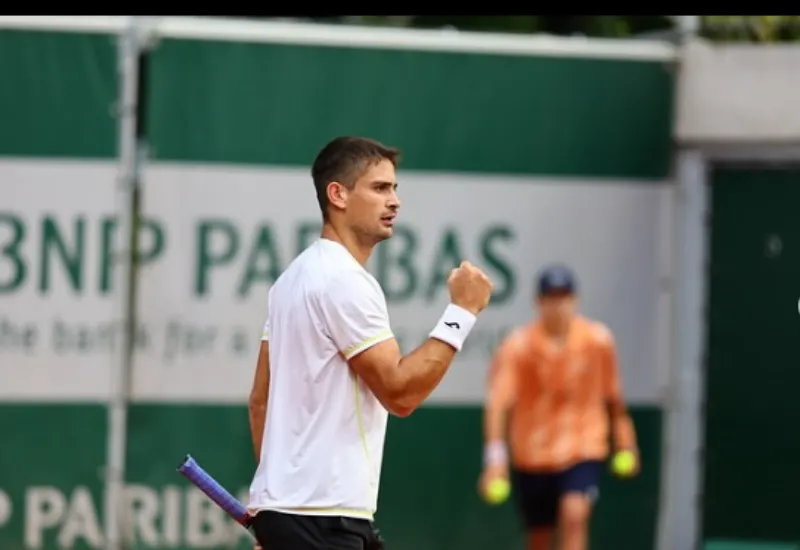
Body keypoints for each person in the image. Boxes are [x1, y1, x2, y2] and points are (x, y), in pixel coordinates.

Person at [246, 136, 494, 550]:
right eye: (380, 188)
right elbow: (400, 393)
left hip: (302, 516)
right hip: (324, 521)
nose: (394, 201)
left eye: (394, 188)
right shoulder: (343, 280)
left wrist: (276, 504)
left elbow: (260, 401)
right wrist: (462, 312)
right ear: (338, 195)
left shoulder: (290, 281)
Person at [479, 265, 639, 550]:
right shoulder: (517, 346)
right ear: (538, 302)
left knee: (574, 514)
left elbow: (614, 399)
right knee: (539, 538)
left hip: (583, 447)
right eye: (551, 297)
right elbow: (498, 405)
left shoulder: (598, 340)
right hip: (532, 454)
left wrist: (625, 442)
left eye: (564, 296)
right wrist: (495, 460)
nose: (558, 305)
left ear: (575, 300)